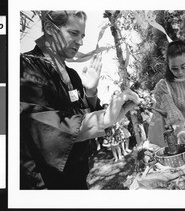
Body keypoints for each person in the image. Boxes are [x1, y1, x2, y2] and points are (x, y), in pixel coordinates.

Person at [20, 10, 141, 189]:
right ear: (49, 28)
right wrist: (104, 118)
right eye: (74, 33)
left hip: (78, 178)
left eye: (82, 35)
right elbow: (44, 126)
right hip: (46, 185)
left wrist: (91, 92)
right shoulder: (26, 68)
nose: (81, 42)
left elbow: (85, 121)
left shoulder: (73, 76)